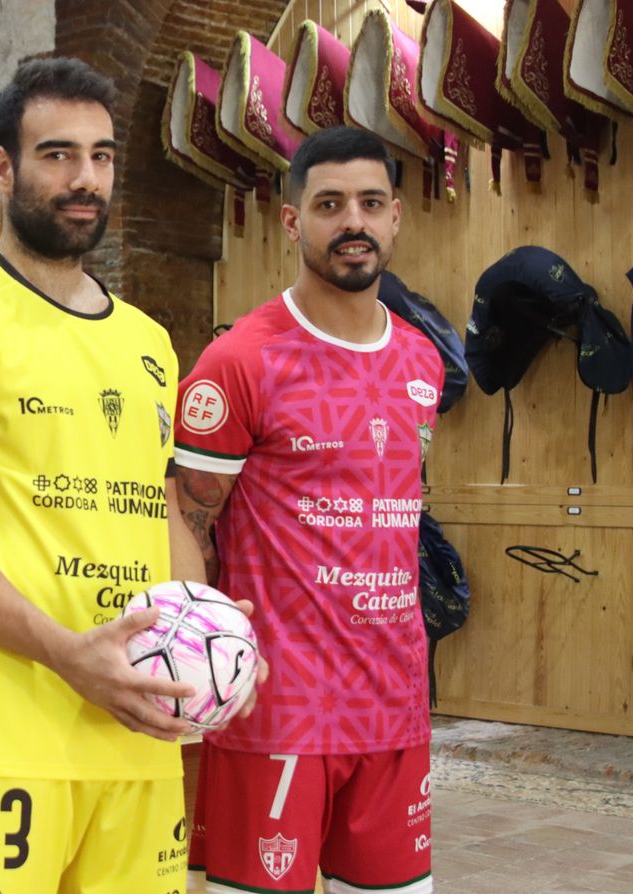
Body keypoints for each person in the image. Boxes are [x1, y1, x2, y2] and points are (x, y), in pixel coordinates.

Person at [0, 57, 257, 894]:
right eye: (57, 155)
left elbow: (158, 512)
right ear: (4, 168)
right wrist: (65, 653)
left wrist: (212, 637)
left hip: (136, 738)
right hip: (0, 739)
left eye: (102, 155)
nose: (85, 179)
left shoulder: (149, 341)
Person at [174, 126, 442, 894]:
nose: (351, 221)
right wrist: (205, 660)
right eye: (329, 205)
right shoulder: (241, 360)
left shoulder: (422, 362)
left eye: (369, 203)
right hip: (279, 712)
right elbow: (185, 516)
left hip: (395, 709)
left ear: (395, 218)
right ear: (293, 222)